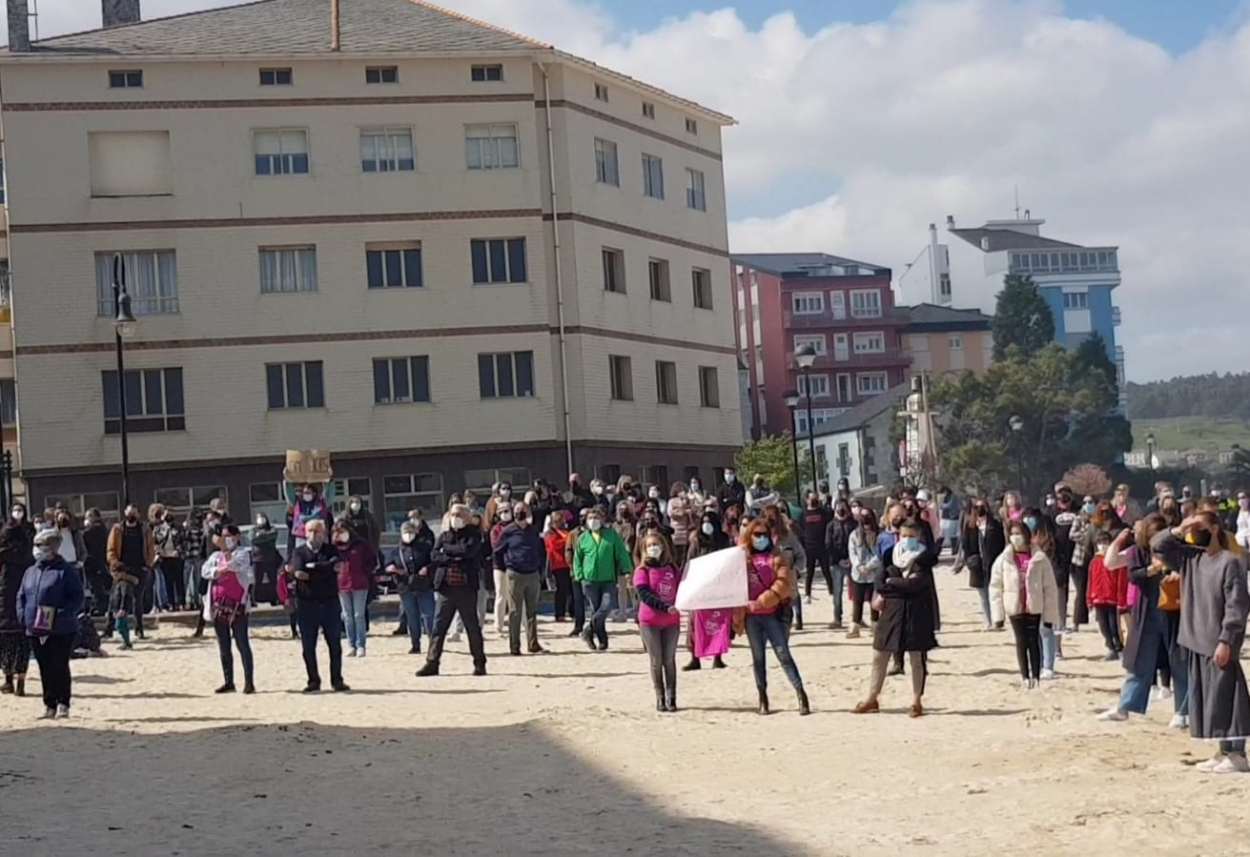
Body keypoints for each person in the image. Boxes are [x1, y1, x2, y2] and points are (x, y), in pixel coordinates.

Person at [1152, 512, 1250, 773]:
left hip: (1218, 640)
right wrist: (1179, 528)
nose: (1195, 532)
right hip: (1195, 639)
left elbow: (1237, 605)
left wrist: (1227, 639)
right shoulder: (1190, 558)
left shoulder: (1230, 562)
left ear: (1215, 528)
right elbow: (1158, 546)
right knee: (1210, 699)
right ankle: (1223, 750)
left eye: (1200, 527)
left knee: (1228, 696)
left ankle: (1238, 753)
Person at [1098, 514, 1189, 726]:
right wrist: (1151, 568)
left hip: (1174, 611)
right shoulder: (1138, 551)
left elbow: (1189, 571)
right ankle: (1126, 706)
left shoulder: (1175, 550)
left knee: (1179, 662)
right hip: (1146, 612)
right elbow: (1122, 569)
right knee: (1140, 661)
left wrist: (1176, 572)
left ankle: (1183, 711)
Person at [852, 519, 937, 717]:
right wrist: (899, 584)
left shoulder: (925, 559)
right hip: (891, 613)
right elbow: (880, 583)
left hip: (916, 614)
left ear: (918, 537)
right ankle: (872, 698)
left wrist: (894, 583)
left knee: (917, 658)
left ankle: (916, 701)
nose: (907, 540)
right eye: (904, 535)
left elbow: (918, 584)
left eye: (911, 536)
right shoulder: (890, 555)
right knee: (879, 655)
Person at [735, 517, 809, 715]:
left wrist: (761, 601)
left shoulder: (777, 557)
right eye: (757, 535)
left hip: (771, 614)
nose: (761, 538)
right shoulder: (743, 559)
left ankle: (801, 693)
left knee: (783, 653)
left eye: (764, 535)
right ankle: (763, 697)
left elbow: (783, 584)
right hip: (751, 617)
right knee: (758, 658)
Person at [17, 529, 84, 719]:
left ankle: (63, 702)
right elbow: (21, 596)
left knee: (59, 665)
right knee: (44, 666)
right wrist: (23, 616)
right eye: (36, 546)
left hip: (61, 628)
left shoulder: (65, 571)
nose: (37, 550)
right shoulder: (30, 571)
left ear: (52, 548)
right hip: (35, 628)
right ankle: (49, 704)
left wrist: (61, 614)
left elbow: (77, 597)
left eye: (41, 546)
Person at [418, 504, 488, 677]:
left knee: (472, 628)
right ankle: (432, 662)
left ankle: (479, 663)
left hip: (466, 588)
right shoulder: (444, 535)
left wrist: (447, 552)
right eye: (453, 514)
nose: (455, 517)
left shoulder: (474, 535)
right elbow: (434, 555)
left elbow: (467, 552)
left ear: (466, 517)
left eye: (459, 514)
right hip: (445, 588)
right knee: (438, 627)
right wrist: (452, 556)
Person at [990, 520, 1060, 689]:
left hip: (1034, 605)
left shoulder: (1039, 558)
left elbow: (1049, 588)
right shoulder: (1004, 559)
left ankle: (1036, 675)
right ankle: (1024, 676)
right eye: (1013, 534)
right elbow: (995, 587)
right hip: (1014, 605)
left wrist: (1050, 616)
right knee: (1021, 640)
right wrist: (998, 616)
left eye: (1019, 533)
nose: (1016, 537)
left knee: (1033, 639)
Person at [288, 519, 349, 693]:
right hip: (307, 604)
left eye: (318, 531)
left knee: (335, 644)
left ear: (324, 533)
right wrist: (325, 570)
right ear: (305, 533)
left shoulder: (331, 550)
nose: (314, 534)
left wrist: (314, 569)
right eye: (311, 531)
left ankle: (337, 680)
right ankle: (313, 680)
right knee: (308, 646)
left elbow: (337, 566)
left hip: (329, 602)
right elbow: (299, 573)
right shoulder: (298, 552)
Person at [201, 524, 255, 694]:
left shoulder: (243, 553)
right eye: (223, 536)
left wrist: (224, 560)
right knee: (224, 646)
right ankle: (228, 681)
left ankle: (249, 682)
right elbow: (205, 571)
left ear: (237, 536)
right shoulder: (215, 556)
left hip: (237, 606)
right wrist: (217, 570)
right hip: (219, 606)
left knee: (242, 644)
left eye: (229, 535)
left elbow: (236, 566)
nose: (226, 539)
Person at [634, 532, 683, 712]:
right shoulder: (642, 570)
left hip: (671, 621)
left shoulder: (672, 568)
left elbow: (684, 588)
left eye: (657, 544)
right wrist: (664, 606)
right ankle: (659, 697)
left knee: (669, 660)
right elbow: (644, 594)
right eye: (650, 545)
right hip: (650, 621)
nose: (654, 548)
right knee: (656, 660)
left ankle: (672, 697)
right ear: (644, 549)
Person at [572, 507, 632, 651]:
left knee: (606, 607)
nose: (594, 521)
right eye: (590, 518)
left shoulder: (611, 535)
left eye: (596, 518)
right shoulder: (583, 538)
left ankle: (588, 630)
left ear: (603, 520)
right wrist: (579, 575)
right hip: (589, 580)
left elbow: (621, 553)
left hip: (608, 579)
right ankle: (602, 640)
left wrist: (627, 569)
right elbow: (577, 558)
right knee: (595, 610)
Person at [494, 501, 546, 656]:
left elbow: (541, 550)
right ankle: (514, 646)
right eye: (517, 511)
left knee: (532, 611)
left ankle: (533, 643)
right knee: (515, 612)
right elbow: (497, 551)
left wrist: (540, 569)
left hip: (532, 573)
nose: (519, 513)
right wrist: (506, 567)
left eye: (522, 510)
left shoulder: (533, 531)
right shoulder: (508, 531)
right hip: (515, 574)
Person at [682, 508, 731, 671]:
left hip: (718, 587)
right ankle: (694, 658)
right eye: (703, 522)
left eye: (709, 522)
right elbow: (689, 562)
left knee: (717, 621)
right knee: (695, 622)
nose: (706, 525)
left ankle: (718, 657)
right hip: (700, 587)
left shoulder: (724, 540)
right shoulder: (697, 540)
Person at [106, 504, 155, 648]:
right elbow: (111, 549)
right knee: (117, 599)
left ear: (138, 514)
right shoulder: (117, 529)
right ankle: (111, 629)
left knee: (137, 599)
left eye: (134, 513)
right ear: (124, 514)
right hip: (122, 569)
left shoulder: (145, 529)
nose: (131, 516)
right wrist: (115, 563)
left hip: (140, 568)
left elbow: (151, 548)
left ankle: (139, 629)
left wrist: (148, 565)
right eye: (129, 513)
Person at [0, 504, 35, 696]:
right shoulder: (25, 535)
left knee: (10, 639)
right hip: (18, 593)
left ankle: (12, 680)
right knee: (19, 639)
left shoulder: (22, 532)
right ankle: (16, 680)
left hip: (10, 593)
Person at [387, 519, 436, 655]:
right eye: (405, 532)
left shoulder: (424, 547)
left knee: (429, 615)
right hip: (405, 587)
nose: (408, 535)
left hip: (423, 586)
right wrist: (393, 569)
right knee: (412, 616)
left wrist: (427, 568)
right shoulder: (397, 551)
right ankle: (415, 644)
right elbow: (387, 565)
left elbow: (434, 561)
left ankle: (433, 642)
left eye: (411, 532)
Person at [332, 520, 376, 658]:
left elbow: (372, 561)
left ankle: (361, 645)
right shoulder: (333, 547)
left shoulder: (361, 544)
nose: (341, 535)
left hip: (360, 584)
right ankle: (350, 644)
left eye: (343, 531)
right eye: (338, 532)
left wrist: (365, 572)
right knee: (347, 616)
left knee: (359, 615)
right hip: (342, 584)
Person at [1087, 528, 1127, 660]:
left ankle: (1119, 647)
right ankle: (1110, 647)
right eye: (1099, 542)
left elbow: (1121, 580)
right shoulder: (1094, 561)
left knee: (1114, 625)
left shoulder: (1116, 560)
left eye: (1105, 542)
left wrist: (1121, 599)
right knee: (1103, 626)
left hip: (1112, 598)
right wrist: (1089, 599)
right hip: (1098, 598)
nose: (1102, 545)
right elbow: (1090, 581)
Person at [846, 508, 883, 639]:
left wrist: (869, 566)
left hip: (874, 572)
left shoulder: (879, 535)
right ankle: (855, 627)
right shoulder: (854, 535)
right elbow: (852, 552)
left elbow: (880, 554)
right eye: (863, 517)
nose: (865, 520)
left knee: (874, 602)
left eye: (868, 517)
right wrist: (858, 566)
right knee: (857, 601)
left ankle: (875, 626)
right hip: (858, 574)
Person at [824, 499, 855, 630]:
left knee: (855, 592)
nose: (841, 509)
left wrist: (850, 559)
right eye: (838, 507)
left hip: (852, 562)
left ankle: (856, 618)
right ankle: (837, 618)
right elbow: (828, 544)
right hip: (836, 564)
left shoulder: (853, 524)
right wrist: (838, 560)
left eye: (843, 507)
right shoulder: (831, 525)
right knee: (837, 592)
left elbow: (857, 541)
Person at [799, 494, 832, 605]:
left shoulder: (823, 512)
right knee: (810, 572)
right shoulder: (803, 514)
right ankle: (808, 595)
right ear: (806, 500)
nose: (813, 500)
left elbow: (830, 520)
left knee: (826, 571)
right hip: (809, 547)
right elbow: (801, 529)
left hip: (822, 546)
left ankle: (831, 592)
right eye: (811, 498)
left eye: (815, 498)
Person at [543, 512, 575, 625]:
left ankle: (573, 612)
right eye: (556, 520)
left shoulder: (566, 532)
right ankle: (559, 614)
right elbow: (553, 545)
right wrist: (567, 541)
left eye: (561, 519)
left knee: (572, 589)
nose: (559, 522)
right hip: (558, 564)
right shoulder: (549, 533)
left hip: (569, 563)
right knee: (561, 590)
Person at [151, 505, 184, 612]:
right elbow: (155, 542)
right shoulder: (158, 529)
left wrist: (179, 551)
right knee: (168, 582)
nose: (168, 516)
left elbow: (183, 541)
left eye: (170, 513)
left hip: (176, 557)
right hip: (165, 558)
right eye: (166, 514)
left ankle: (181, 602)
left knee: (179, 581)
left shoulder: (178, 528)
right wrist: (159, 552)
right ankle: (171, 603)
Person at [287, 483, 332, 555]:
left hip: (319, 536)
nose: (306, 495)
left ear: (314, 493)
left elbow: (329, 493)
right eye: (304, 493)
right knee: (301, 557)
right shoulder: (297, 503)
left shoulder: (321, 503)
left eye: (308, 493)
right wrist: (287, 482)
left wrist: (330, 483)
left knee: (322, 557)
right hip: (302, 536)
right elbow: (289, 492)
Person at [250, 512, 284, 606]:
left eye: (262, 518)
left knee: (273, 581)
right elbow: (253, 539)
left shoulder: (272, 529)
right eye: (259, 518)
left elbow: (273, 535)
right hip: (257, 559)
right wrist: (265, 537)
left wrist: (260, 536)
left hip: (270, 558)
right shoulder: (253, 530)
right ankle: (253, 600)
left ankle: (275, 599)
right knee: (257, 582)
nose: (261, 520)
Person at [666, 482, 695, 566]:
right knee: (676, 555)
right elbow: (671, 513)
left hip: (686, 531)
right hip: (676, 531)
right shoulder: (672, 501)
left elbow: (694, 510)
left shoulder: (688, 500)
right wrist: (684, 511)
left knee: (685, 556)